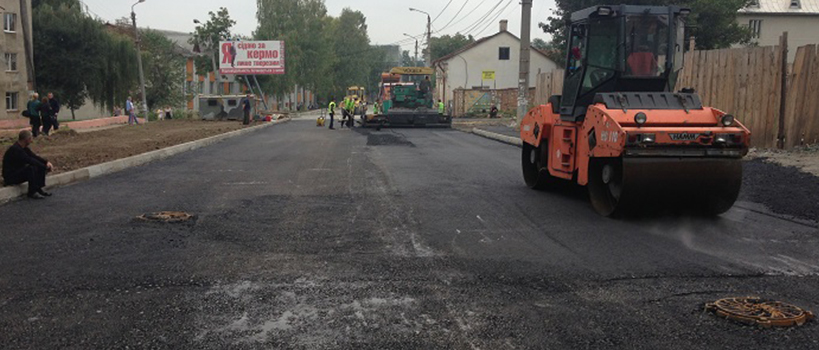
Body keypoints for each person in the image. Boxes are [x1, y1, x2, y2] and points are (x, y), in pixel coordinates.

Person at [2, 130, 54, 199]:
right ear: (26, 139)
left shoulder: (23, 148)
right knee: (31, 168)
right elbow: (29, 160)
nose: (31, 141)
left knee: (37, 166)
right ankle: (32, 192)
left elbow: (34, 156)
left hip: (17, 172)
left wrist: (46, 162)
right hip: (10, 176)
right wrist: (45, 167)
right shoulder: (16, 150)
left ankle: (38, 188)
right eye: (30, 139)